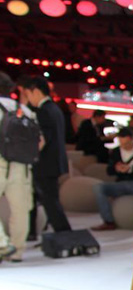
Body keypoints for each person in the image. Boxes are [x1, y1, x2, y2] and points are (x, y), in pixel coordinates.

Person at [20, 76, 72, 236]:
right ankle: (34, 232)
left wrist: (28, 155)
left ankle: (65, 234)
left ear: (35, 91)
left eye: (27, 94)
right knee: (43, 200)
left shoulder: (44, 111)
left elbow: (42, 140)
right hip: (52, 162)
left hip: (45, 164)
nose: (28, 99)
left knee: (50, 202)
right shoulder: (54, 109)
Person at [0, 72, 39, 262]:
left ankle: (2, 244)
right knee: (20, 210)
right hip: (22, 167)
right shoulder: (24, 110)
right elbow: (39, 142)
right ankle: (17, 251)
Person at [91, 128, 133, 232]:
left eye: (125, 143)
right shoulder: (116, 152)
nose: (123, 146)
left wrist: (131, 170)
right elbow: (109, 171)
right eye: (121, 143)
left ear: (131, 140)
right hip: (120, 183)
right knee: (98, 188)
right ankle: (108, 221)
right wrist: (116, 168)